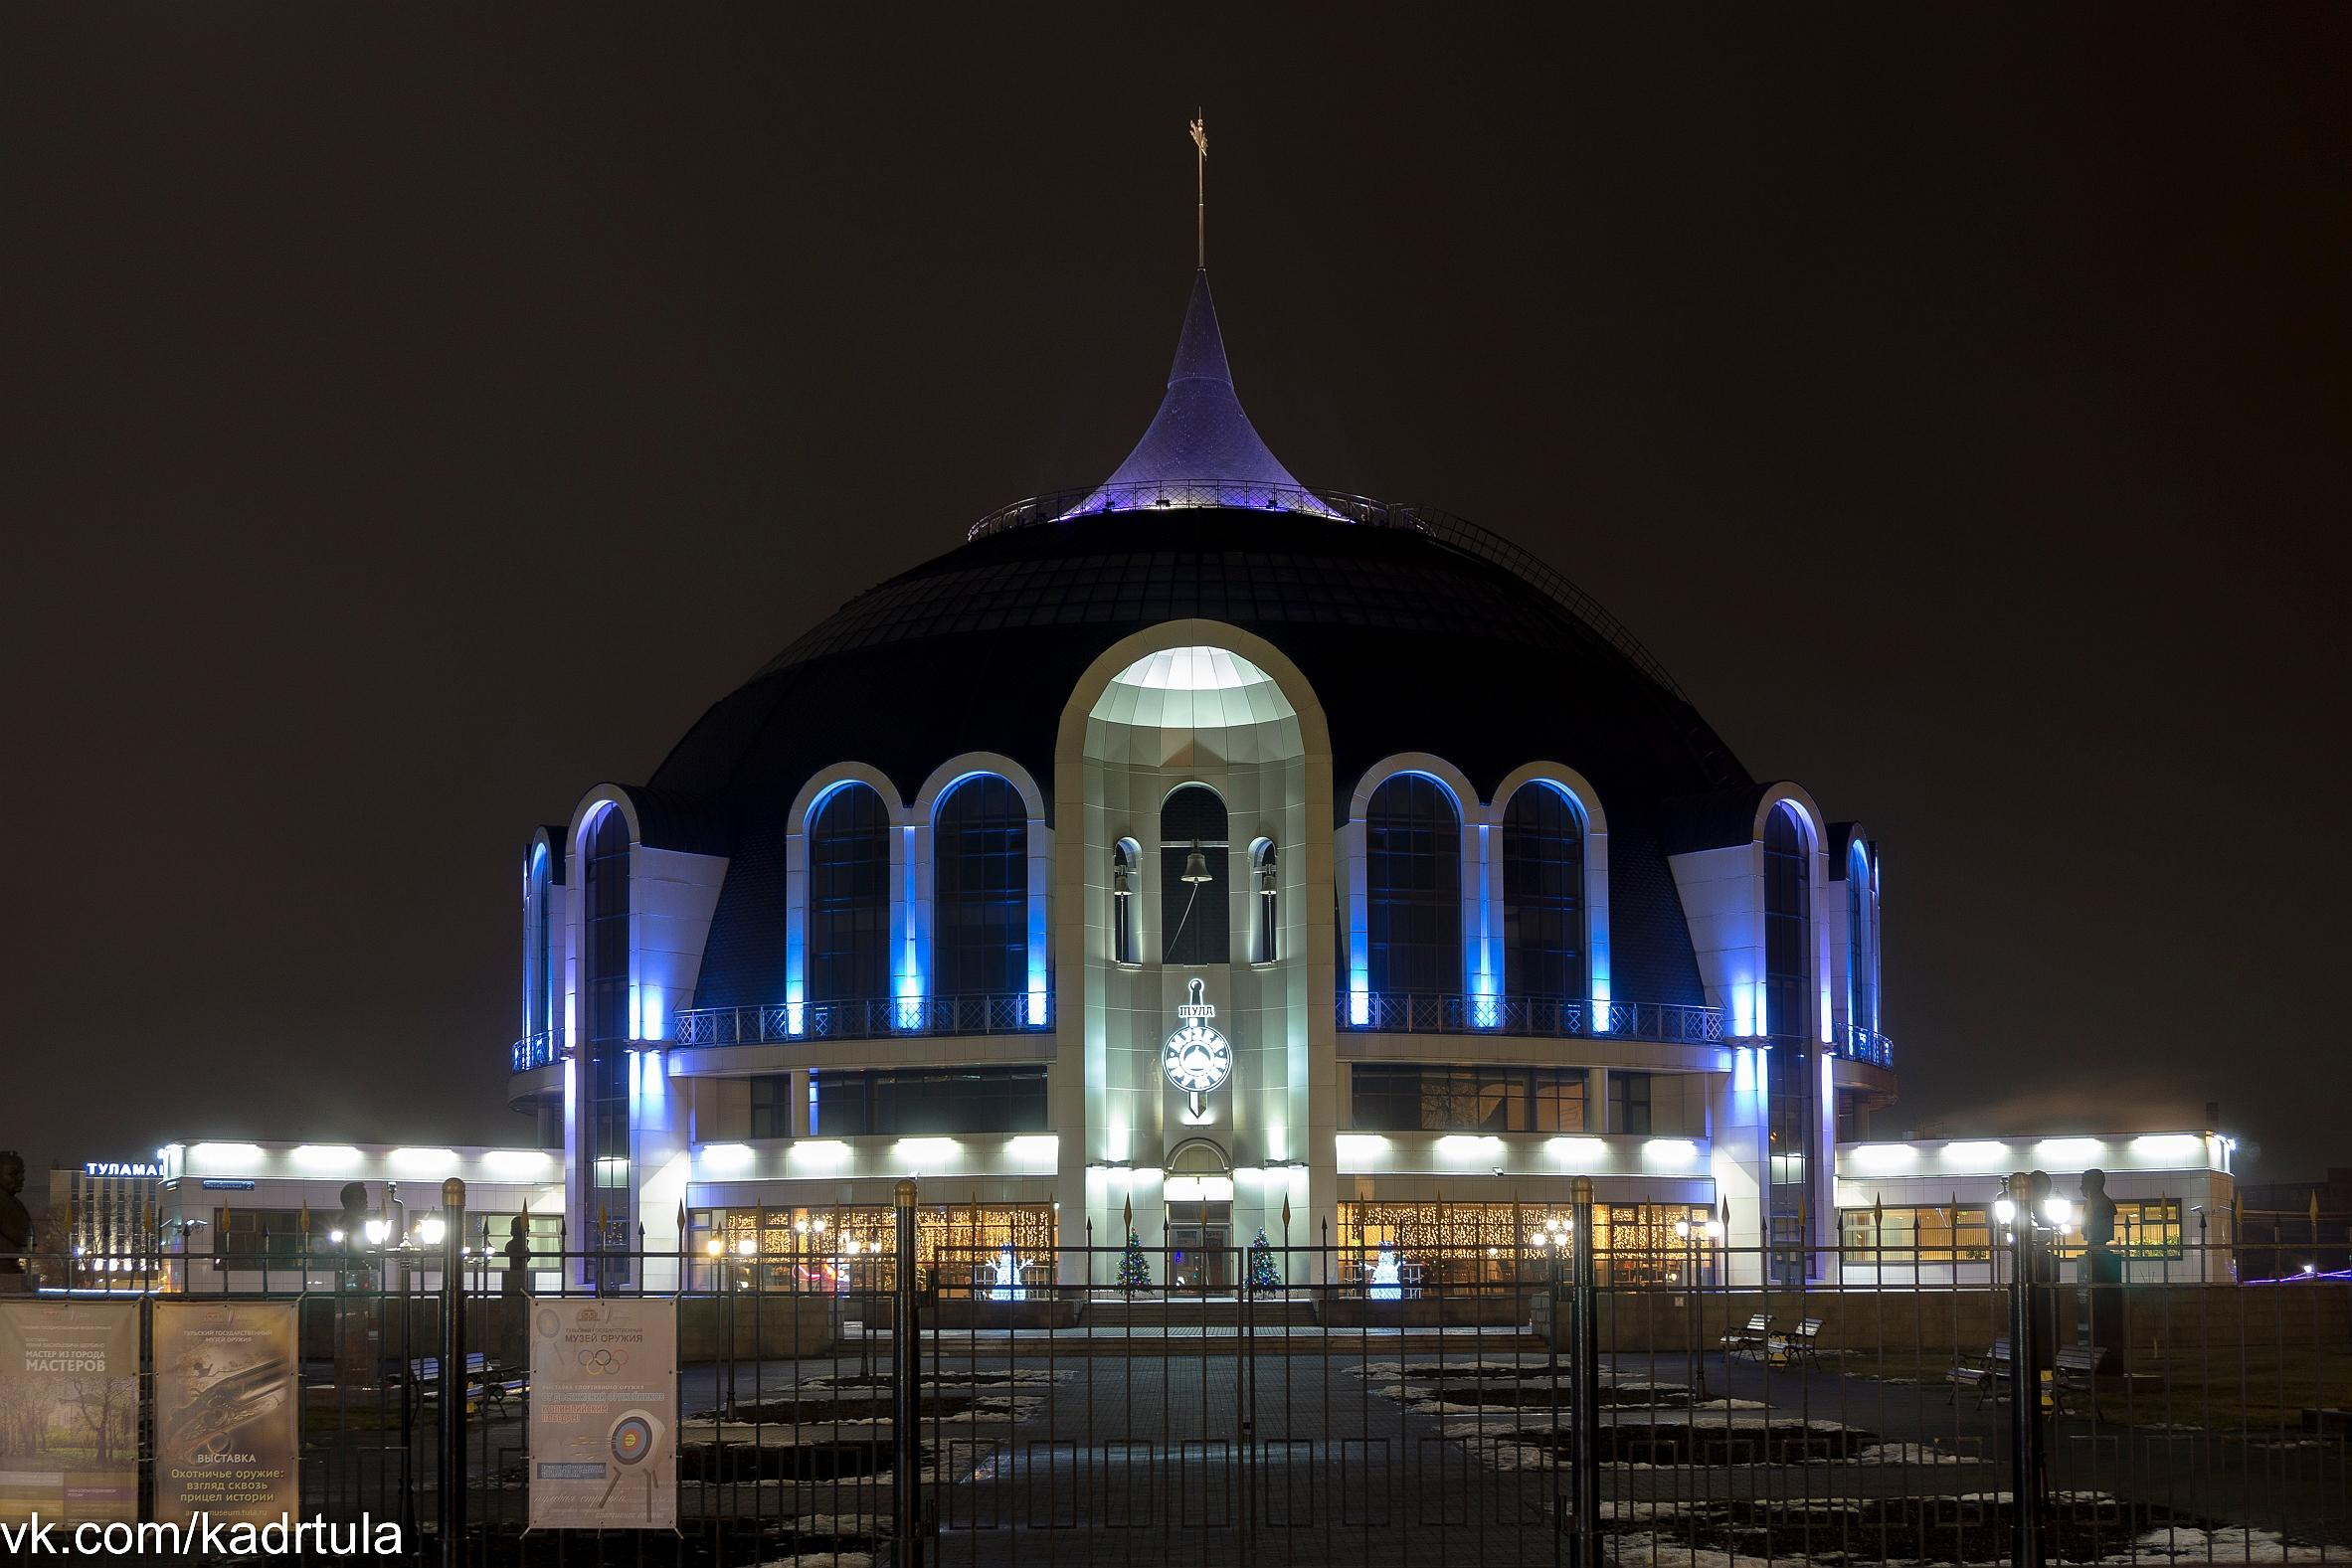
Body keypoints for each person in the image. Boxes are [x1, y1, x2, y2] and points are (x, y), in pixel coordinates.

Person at [0, 1151, 30, 1292]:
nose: (21, 1178)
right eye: (13, 1174)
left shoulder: (14, 1203)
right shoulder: (4, 1204)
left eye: (22, 1173)